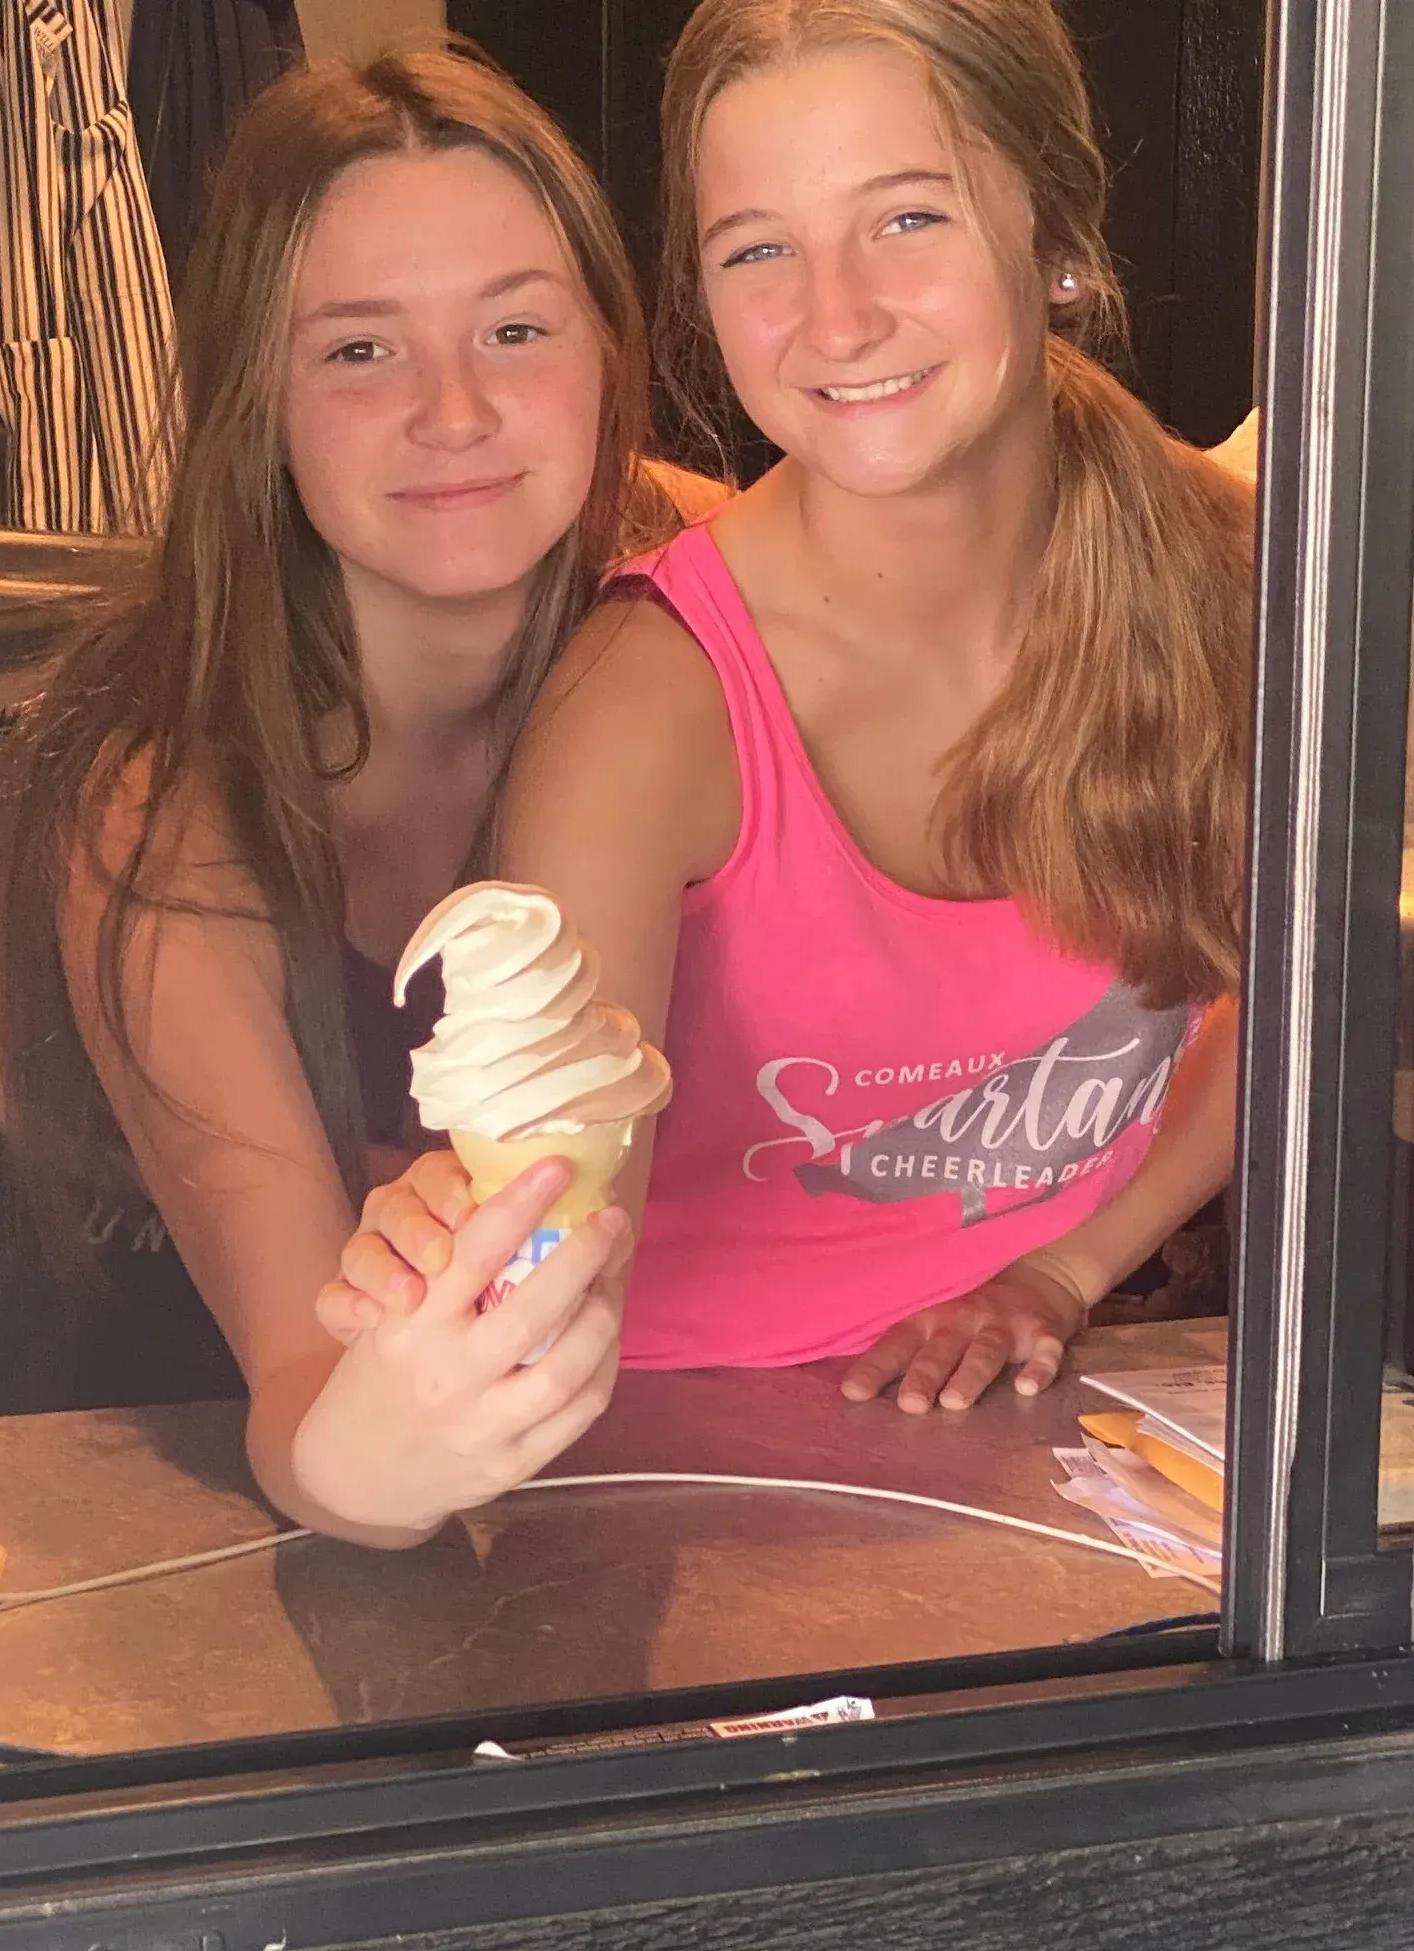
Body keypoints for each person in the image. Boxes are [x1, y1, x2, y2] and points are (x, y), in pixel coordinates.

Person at [316, 0, 1254, 1527]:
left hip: (1056, 1436)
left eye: (907, 218)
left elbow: (1296, 1000)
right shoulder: (649, 705)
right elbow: (554, 1231)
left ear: (1056, 236)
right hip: (657, 1478)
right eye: (760, 248)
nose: (836, 318)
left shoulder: (1232, 584)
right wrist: (433, 1348)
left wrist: (1057, 1271)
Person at [0, 45, 724, 1545]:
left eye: (515, 328)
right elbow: (311, 1411)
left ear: (610, 350)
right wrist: (367, 1463)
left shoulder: (705, 573)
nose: (459, 410)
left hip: (421, 1335)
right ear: (256, 401)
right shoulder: (157, 806)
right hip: (71, 1332)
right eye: (360, 350)